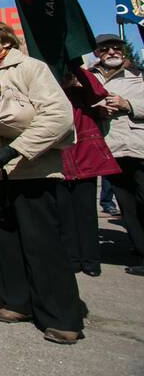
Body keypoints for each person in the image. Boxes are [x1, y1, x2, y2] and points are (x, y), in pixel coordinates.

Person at [0, 20, 83, 345]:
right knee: (4, 237)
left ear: (6, 40)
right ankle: (15, 301)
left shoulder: (30, 68)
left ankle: (61, 317)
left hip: (31, 168)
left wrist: (14, 149)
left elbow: (58, 115)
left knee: (42, 242)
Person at [57, 64, 120, 277]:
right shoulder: (49, 93)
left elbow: (99, 92)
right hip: (59, 161)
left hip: (85, 158)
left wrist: (75, 65)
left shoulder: (81, 93)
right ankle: (72, 258)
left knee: (86, 213)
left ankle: (91, 260)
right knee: (64, 214)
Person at [89, 33, 144, 276]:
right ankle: (140, 248)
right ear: (97, 53)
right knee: (127, 204)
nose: (111, 52)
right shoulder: (91, 77)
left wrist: (128, 105)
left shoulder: (138, 75)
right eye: (105, 49)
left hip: (139, 145)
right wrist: (97, 108)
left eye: (115, 48)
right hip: (112, 148)